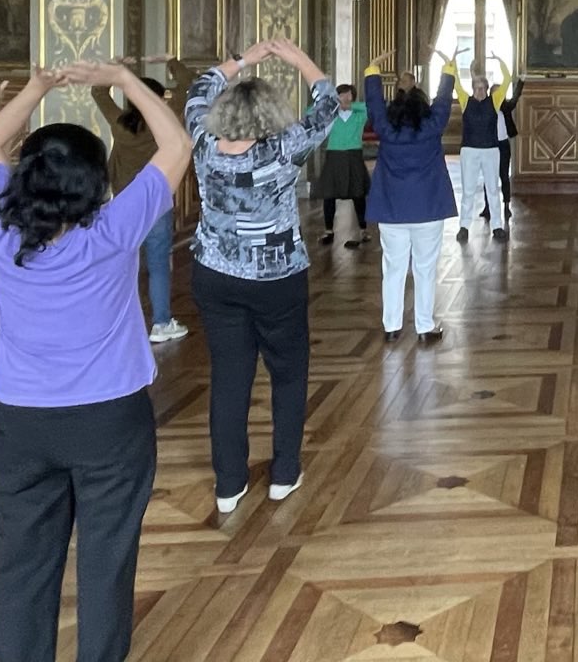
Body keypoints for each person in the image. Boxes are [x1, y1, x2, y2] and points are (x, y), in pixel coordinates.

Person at [0, 61, 191, 662]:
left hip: (22, 422)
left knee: (19, 565)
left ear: (22, 177)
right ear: (97, 185)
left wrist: (37, 89)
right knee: (106, 564)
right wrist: (124, 77)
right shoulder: (113, 230)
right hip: (110, 423)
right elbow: (176, 142)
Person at [185, 38, 340, 514]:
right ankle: (284, 474)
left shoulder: (202, 142)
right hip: (277, 278)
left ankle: (229, 485)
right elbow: (328, 104)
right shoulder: (282, 150)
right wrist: (298, 58)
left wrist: (243, 60)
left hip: (214, 272)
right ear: (271, 116)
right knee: (288, 374)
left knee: (230, 377)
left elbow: (198, 88)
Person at [91, 57, 193, 342]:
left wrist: (115, 67)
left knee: (121, 263)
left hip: (122, 203)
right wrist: (171, 61)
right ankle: (161, 323)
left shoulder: (119, 123)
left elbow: (98, 92)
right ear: (158, 100)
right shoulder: (167, 121)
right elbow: (187, 84)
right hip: (156, 202)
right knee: (158, 263)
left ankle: (115, 322)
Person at [366, 50, 459, 341]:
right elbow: (444, 100)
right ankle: (424, 327)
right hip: (428, 210)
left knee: (392, 270)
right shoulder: (433, 126)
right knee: (425, 269)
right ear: (424, 107)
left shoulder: (385, 128)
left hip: (392, 211)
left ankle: (391, 327)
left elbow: (374, 104)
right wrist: (448, 68)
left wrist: (373, 70)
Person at [456, 61, 512, 243]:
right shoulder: (465, 101)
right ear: (472, 89)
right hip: (469, 151)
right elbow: (455, 80)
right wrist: (451, 62)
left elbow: (507, 80)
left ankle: (497, 226)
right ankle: (464, 227)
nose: (480, 91)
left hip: (490, 150)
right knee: (468, 190)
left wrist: (500, 62)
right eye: (477, 88)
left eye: (483, 88)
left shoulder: (494, 102)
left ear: (487, 90)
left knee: (492, 189)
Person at [312, 83, 369, 249]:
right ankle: (329, 230)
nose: (345, 98)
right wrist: (332, 105)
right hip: (334, 155)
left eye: (349, 95)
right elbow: (310, 112)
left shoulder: (359, 115)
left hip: (353, 155)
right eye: (342, 95)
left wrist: (349, 105)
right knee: (329, 194)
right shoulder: (331, 115)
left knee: (358, 194)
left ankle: (363, 229)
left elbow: (370, 107)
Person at [493, 56, 523, 217]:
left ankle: (506, 206)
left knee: (504, 175)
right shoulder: (486, 108)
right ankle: (487, 208)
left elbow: (516, 96)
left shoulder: (505, 107)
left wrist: (522, 79)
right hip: (490, 145)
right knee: (489, 178)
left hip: (503, 145)